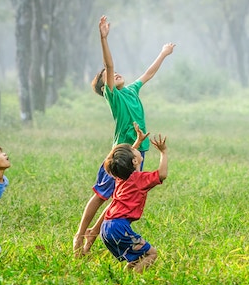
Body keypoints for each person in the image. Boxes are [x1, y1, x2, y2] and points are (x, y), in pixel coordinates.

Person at [73, 15, 175, 257]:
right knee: (100, 195)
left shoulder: (130, 90)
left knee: (121, 196)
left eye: (116, 73)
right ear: (104, 86)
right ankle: (80, 235)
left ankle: (93, 236)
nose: (115, 73)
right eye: (108, 76)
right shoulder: (114, 96)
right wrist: (103, 38)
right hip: (120, 153)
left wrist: (163, 53)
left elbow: (148, 74)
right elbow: (109, 65)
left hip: (138, 151)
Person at [100, 123, 168, 273]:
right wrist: (163, 152)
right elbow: (162, 174)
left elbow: (126, 158)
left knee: (137, 257)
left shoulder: (120, 177)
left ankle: (126, 277)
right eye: (133, 149)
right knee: (152, 254)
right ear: (134, 161)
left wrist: (137, 141)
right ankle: (133, 282)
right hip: (119, 227)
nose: (135, 148)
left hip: (106, 227)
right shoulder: (140, 179)